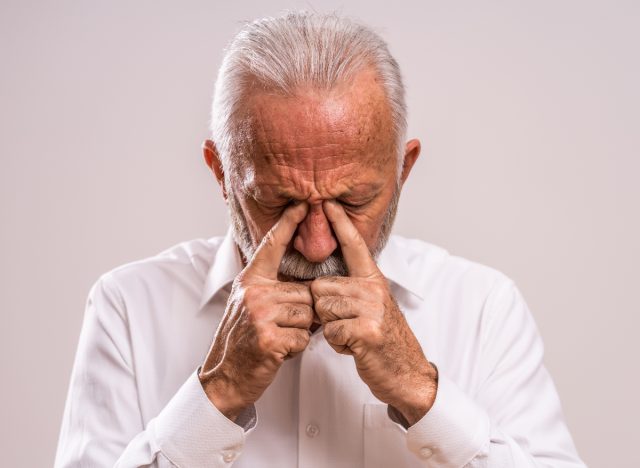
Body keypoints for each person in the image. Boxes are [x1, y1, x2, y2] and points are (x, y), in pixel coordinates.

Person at [55, 11, 586, 468]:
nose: (315, 245)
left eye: (353, 203)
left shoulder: (483, 307)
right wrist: (215, 395)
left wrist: (423, 393)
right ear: (220, 172)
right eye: (277, 202)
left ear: (404, 170)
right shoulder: (127, 306)